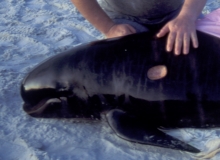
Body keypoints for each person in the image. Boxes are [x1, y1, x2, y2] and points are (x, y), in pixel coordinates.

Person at [71, 0, 207, 55]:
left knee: (202, 54)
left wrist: (187, 16)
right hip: (123, 18)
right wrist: (109, 28)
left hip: (178, 12)